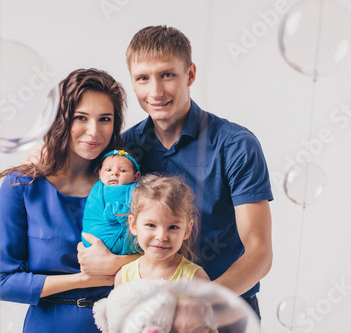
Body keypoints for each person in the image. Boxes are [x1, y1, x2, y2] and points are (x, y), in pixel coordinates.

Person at [77, 25, 273, 319]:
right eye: (143, 78)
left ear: (190, 74)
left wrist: (197, 306)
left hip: (225, 310)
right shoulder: (125, 150)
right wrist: (41, 154)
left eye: (167, 75)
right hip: (146, 313)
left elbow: (259, 253)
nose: (155, 92)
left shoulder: (235, 145)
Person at [0, 68, 138, 333]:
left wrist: (116, 265)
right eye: (81, 117)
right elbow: (1, 282)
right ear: (59, 119)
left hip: (122, 323)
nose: (93, 131)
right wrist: (83, 279)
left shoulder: (128, 186)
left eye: (105, 118)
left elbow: (164, 255)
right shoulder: (21, 187)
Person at [115, 174, 210, 286]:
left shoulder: (196, 278)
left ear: (187, 229)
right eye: (151, 225)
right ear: (133, 225)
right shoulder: (124, 276)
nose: (161, 236)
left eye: (173, 227)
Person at [81, 149, 141, 255]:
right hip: (95, 234)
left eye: (122, 171)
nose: (114, 173)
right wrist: (120, 213)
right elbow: (95, 211)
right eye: (108, 170)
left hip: (124, 235)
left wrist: (124, 213)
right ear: (100, 174)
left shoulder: (138, 190)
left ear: (136, 176)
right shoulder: (97, 190)